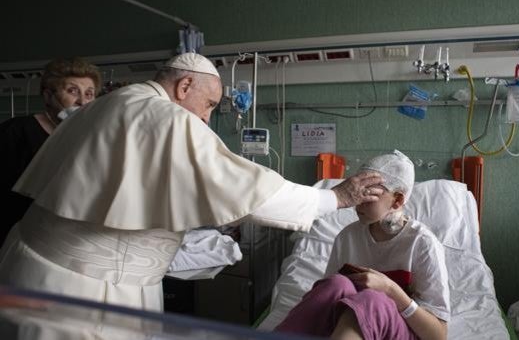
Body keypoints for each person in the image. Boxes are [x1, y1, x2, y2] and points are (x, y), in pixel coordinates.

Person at [0, 53, 384, 312]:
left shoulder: (112, 103)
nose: (205, 118)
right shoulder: (164, 115)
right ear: (184, 87)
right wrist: (334, 197)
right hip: (77, 290)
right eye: (209, 104)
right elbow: (247, 188)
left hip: (40, 270)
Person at [275, 150, 450, 340]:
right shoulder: (347, 237)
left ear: (397, 200)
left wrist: (391, 290)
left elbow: (438, 335)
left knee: (371, 299)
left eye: (368, 195)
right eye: (357, 194)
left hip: (398, 329)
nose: (357, 203)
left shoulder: (422, 243)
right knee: (335, 283)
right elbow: (329, 303)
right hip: (350, 324)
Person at [0, 57, 101, 245]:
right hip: (13, 234)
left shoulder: (88, 139)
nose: (82, 101)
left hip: (57, 237)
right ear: (48, 96)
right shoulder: (16, 131)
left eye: (89, 94)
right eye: (72, 91)